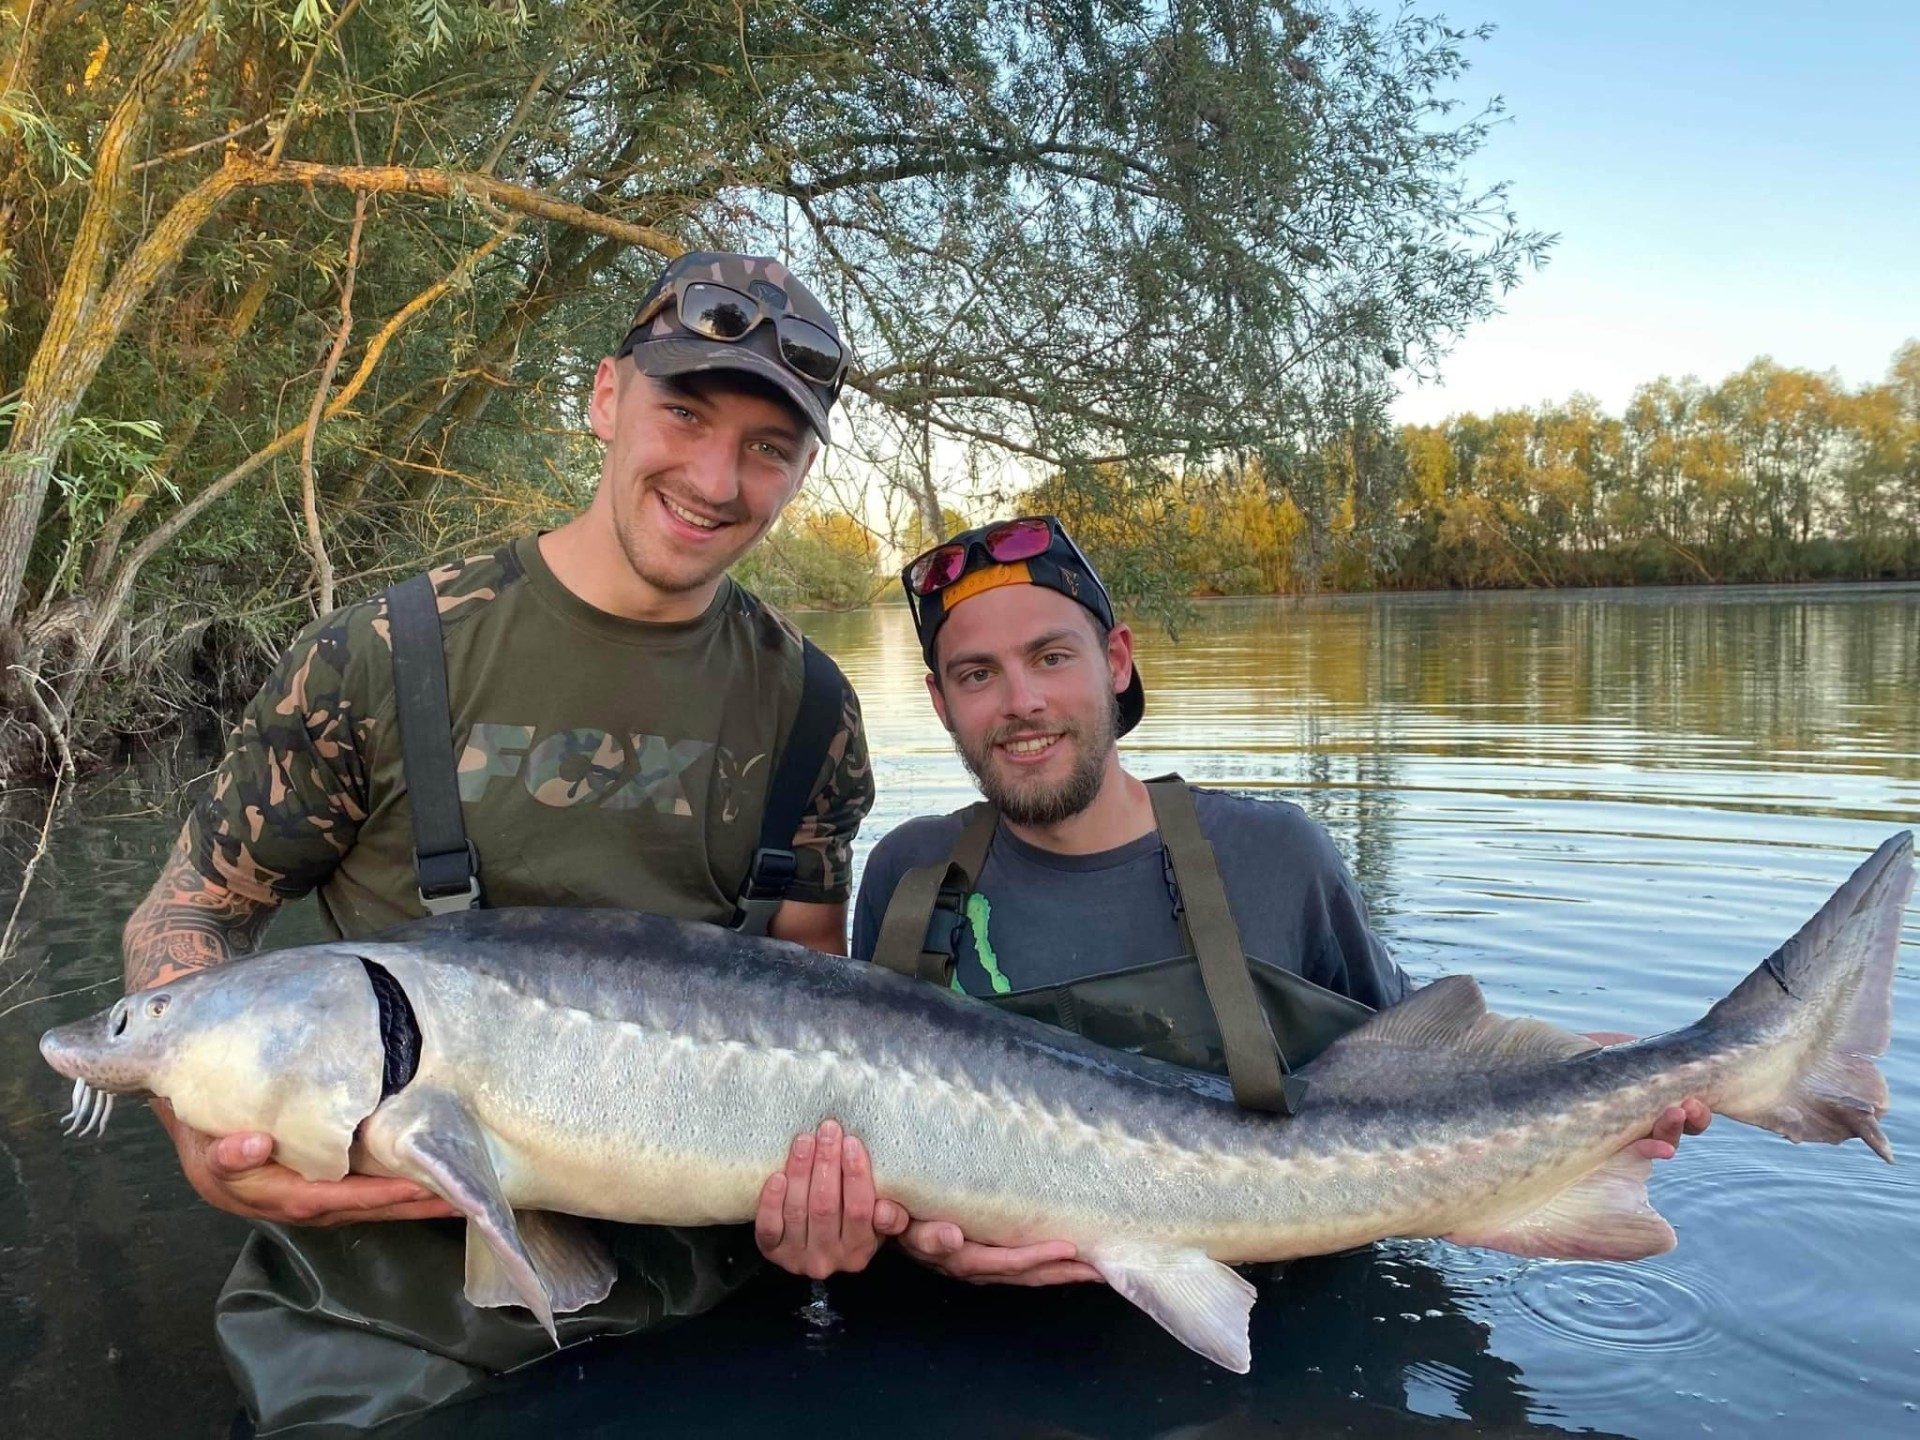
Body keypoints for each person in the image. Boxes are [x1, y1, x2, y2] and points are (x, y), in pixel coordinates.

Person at [118, 251, 891, 1432]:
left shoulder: (813, 710)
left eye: (769, 448)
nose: (715, 477)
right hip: (386, 1311)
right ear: (603, 399)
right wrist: (194, 1132)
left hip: (704, 1299)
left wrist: (835, 1193)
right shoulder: (381, 656)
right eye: (683, 414)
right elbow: (191, 913)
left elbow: (818, 990)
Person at [847, 514, 1709, 1288]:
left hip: (1301, 1331)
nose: (1021, 702)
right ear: (940, 703)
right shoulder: (910, 877)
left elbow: (1407, 1060)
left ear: (1116, 661)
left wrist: (1590, 1077)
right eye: (976, 674)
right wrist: (913, 1239)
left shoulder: (1272, 854)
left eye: (1051, 657)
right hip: (981, 1353)